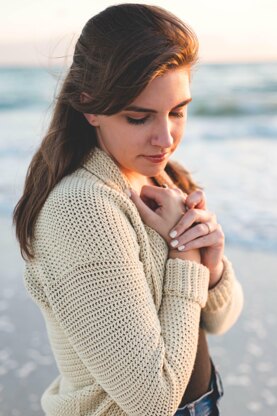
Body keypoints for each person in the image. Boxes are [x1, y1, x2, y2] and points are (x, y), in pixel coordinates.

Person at [13, 4, 243, 416]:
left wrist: (212, 267)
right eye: (139, 117)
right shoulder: (80, 209)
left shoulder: (164, 177)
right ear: (89, 105)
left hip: (206, 401)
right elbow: (151, 399)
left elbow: (221, 321)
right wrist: (185, 255)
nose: (166, 138)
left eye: (178, 111)